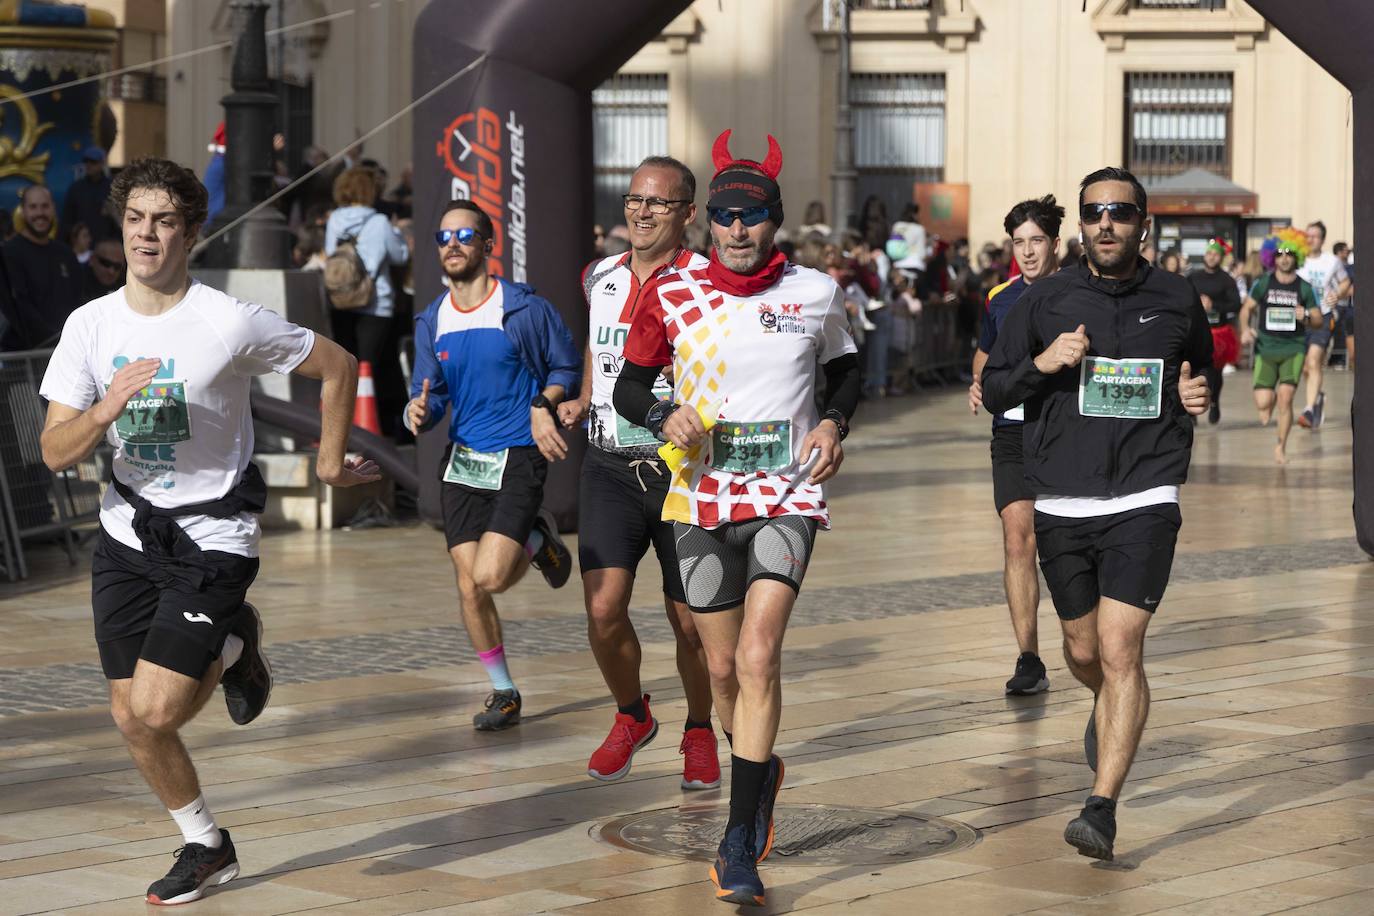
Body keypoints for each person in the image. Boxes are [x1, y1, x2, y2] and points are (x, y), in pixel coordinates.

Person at [37, 157, 379, 906]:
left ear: (190, 233)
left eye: (164, 221)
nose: (146, 234)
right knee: (131, 717)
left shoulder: (227, 320)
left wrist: (326, 464)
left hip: (213, 534)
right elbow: (53, 449)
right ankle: (206, 843)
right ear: (120, 226)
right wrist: (101, 411)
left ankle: (229, 642)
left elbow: (338, 363)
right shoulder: (89, 326)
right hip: (127, 532)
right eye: (135, 219)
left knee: (158, 708)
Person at [614, 131, 860, 907]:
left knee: (757, 658)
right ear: (707, 221)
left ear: (775, 222)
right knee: (718, 669)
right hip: (699, 501)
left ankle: (736, 836)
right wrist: (665, 413)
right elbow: (629, 390)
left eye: (752, 217)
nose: (737, 230)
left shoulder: (816, 293)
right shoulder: (672, 293)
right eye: (724, 216)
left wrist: (833, 426)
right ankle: (761, 774)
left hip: (786, 495)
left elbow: (846, 370)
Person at [982, 166, 1211, 863]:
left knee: (1119, 649)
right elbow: (994, 387)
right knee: (1082, 651)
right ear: (1080, 224)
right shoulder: (1045, 299)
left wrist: (1201, 394)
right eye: (1094, 211)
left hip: (1146, 493)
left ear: (1144, 223)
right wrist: (1045, 362)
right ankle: (1108, 703)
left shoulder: (1176, 295)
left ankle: (1101, 807)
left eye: (1119, 211)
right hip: (1062, 496)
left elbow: (1200, 370)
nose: (1105, 222)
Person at [559, 156, 719, 789]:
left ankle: (700, 729)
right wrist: (580, 397)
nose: (641, 212)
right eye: (633, 200)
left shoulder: (709, 279)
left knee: (690, 623)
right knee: (602, 610)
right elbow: (600, 352)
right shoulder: (598, 275)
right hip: (607, 465)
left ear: (686, 212)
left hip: (682, 472)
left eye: (658, 203)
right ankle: (633, 715)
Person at [406, 199, 579, 731]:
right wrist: (420, 408)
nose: (452, 244)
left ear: (487, 246)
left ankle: (536, 540)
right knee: (468, 587)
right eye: (443, 237)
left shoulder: (524, 309)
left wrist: (543, 403)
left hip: (517, 456)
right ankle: (503, 692)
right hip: (463, 462)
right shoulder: (432, 319)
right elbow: (428, 392)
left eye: (464, 235)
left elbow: (566, 367)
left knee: (491, 576)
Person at [968, 195, 1064, 697]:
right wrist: (978, 382)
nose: (1027, 252)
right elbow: (984, 356)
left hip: (1065, 433)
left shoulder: (1078, 291)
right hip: (1011, 431)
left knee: (1065, 545)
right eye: (1019, 242)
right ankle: (1029, 656)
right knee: (1016, 537)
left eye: (1036, 241)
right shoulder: (999, 298)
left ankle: (1084, 642)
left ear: (1055, 244)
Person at [325, 166, 410, 435]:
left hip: (340, 302)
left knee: (345, 365)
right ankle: (375, 427)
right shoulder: (380, 222)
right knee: (372, 368)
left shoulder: (335, 219)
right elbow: (400, 256)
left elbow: (330, 254)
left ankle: (342, 426)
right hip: (376, 304)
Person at [1238, 229, 1322, 465]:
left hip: (1293, 349)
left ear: (1297, 257)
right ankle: (1269, 400)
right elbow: (1247, 309)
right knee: (1263, 403)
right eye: (1279, 254)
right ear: (1272, 258)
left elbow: (1318, 320)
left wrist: (1305, 315)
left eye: (1289, 254)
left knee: (1286, 398)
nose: (1284, 258)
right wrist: (1245, 329)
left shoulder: (1304, 288)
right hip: (1266, 349)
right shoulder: (1263, 283)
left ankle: (1280, 447)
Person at [1, 184, 84, 350]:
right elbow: (17, 307)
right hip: (26, 359)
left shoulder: (66, 254)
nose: (40, 213)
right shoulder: (7, 254)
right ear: (23, 211)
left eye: (45, 206)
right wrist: (51, 339)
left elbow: (80, 302)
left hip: (70, 352)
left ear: (53, 208)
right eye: (33, 207)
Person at [1295, 220, 1351, 429]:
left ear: (1323, 239)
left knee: (1314, 360)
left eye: (1315, 236)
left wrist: (1337, 294)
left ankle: (1308, 410)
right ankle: (1317, 397)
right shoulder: (1298, 260)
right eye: (1308, 235)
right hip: (1301, 318)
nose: (1310, 239)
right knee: (1307, 368)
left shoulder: (1332, 261)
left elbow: (1346, 282)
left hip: (1325, 316)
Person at [1187, 238, 1242, 423]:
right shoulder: (1193, 277)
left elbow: (1236, 303)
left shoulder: (1226, 280)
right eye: (1209, 254)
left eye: (1215, 254)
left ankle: (1214, 401)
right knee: (1193, 370)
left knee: (1214, 373)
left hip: (1218, 333)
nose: (1211, 257)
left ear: (1221, 257)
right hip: (1195, 331)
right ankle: (1192, 409)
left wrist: (1214, 306)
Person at [63, 146, 117, 242]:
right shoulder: (76, 188)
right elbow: (67, 220)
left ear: (102, 163)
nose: (89, 165)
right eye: (86, 161)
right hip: (81, 245)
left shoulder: (112, 188)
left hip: (106, 244)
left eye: (93, 162)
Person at [81, 236, 126, 301]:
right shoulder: (77, 285)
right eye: (106, 263)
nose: (111, 271)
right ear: (92, 259)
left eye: (117, 266)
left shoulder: (126, 290)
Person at [1333, 241, 1355, 370]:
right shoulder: (1347, 269)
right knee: (1353, 355)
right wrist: (1347, 291)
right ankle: (1339, 361)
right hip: (1348, 311)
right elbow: (1340, 289)